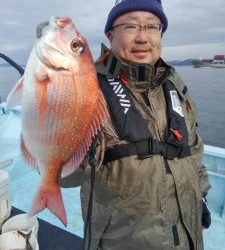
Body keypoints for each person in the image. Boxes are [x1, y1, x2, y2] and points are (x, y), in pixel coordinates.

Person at [60, 0, 211, 249]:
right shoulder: (86, 87)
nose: (143, 38)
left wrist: (202, 195)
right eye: (131, 26)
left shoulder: (174, 83)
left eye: (152, 27)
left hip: (189, 236)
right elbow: (64, 177)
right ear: (110, 35)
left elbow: (193, 147)